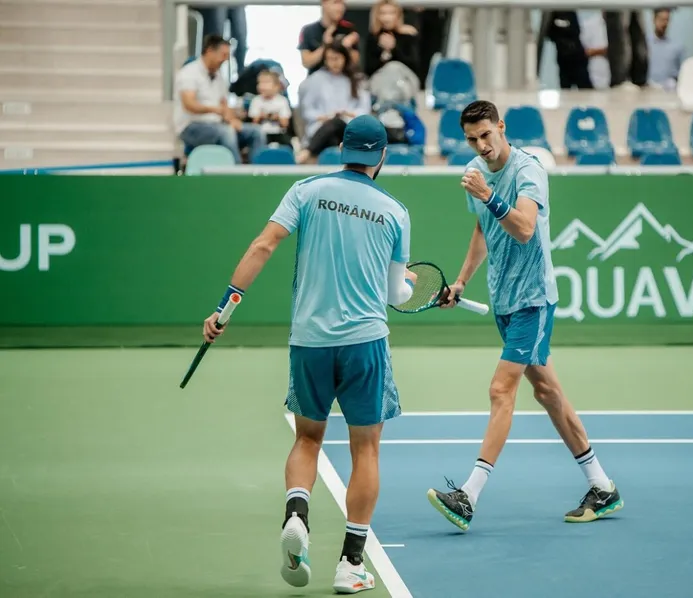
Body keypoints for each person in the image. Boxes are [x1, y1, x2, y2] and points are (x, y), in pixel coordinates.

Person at [200, 114, 416, 593]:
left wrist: (224, 309)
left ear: (341, 150)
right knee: (366, 448)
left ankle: (297, 514)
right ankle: (351, 565)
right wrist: (406, 283)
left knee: (307, 439)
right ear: (382, 156)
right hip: (364, 344)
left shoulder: (306, 190)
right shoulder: (395, 212)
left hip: (310, 342)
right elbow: (395, 295)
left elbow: (264, 245)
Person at [425, 100, 623, 531]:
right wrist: (461, 282)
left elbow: (524, 228)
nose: (481, 146)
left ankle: (468, 495)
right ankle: (602, 485)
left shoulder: (528, 170)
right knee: (548, 393)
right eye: (472, 140)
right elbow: (483, 228)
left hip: (533, 299)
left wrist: (488, 194)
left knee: (501, 390)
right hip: (504, 301)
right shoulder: (475, 172)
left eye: (486, 135)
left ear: (501, 127)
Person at [174, 34, 266, 163]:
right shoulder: (189, 73)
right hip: (191, 127)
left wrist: (232, 120)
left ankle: (258, 171)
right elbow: (189, 104)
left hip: (217, 125)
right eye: (223, 55)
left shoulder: (219, 76)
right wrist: (215, 110)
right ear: (210, 51)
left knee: (255, 132)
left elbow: (224, 103)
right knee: (226, 132)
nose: (225, 60)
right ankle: (236, 171)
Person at [297, 43, 372, 164]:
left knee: (337, 122)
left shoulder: (357, 79)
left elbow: (364, 110)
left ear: (344, 58)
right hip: (322, 126)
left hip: (349, 127)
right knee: (332, 133)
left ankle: (308, 151)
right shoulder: (315, 79)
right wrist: (322, 117)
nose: (334, 63)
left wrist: (348, 113)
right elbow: (307, 110)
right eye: (330, 59)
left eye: (337, 58)